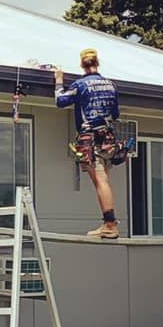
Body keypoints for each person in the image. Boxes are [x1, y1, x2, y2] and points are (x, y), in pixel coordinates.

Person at [54, 48, 120, 239]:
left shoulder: (81, 85)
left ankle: (110, 224)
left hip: (90, 138)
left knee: (100, 181)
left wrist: (59, 80)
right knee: (103, 180)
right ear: (97, 62)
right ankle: (107, 223)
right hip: (108, 139)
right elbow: (115, 114)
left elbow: (60, 100)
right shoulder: (110, 85)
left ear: (82, 65)